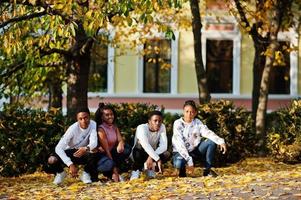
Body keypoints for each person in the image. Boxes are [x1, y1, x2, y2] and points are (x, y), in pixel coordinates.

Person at [172, 100, 227, 177]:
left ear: (195, 113)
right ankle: (182, 171)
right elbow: (179, 143)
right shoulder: (177, 123)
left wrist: (220, 141)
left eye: (191, 112)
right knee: (179, 163)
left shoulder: (197, 123)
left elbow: (207, 132)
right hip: (180, 153)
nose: (189, 114)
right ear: (183, 112)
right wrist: (189, 161)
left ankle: (207, 170)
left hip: (194, 151)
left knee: (211, 142)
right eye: (187, 111)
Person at [47, 107, 98, 185]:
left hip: (82, 152)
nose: (83, 121)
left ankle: (85, 174)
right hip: (69, 152)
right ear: (77, 119)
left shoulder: (93, 124)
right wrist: (70, 164)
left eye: (85, 118)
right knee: (51, 159)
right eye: (80, 119)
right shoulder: (73, 128)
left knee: (94, 150)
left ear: (89, 117)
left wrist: (86, 148)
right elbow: (58, 148)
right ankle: (60, 173)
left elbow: (94, 142)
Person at [94, 103, 131, 182]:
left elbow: (120, 140)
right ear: (102, 117)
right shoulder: (101, 129)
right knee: (110, 163)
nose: (110, 116)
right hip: (103, 155)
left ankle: (115, 171)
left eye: (111, 114)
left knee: (126, 148)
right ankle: (111, 172)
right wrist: (115, 172)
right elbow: (107, 151)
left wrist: (120, 144)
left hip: (111, 152)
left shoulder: (114, 126)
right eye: (107, 115)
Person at [130, 110, 170, 180]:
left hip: (152, 153)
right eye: (155, 120)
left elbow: (164, 146)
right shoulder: (141, 128)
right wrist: (157, 159)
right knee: (138, 148)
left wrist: (151, 157)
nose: (158, 123)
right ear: (149, 121)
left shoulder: (162, 127)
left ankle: (150, 169)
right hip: (139, 153)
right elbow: (145, 145)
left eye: (160, 121)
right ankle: (136, 170)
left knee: (166, 153)